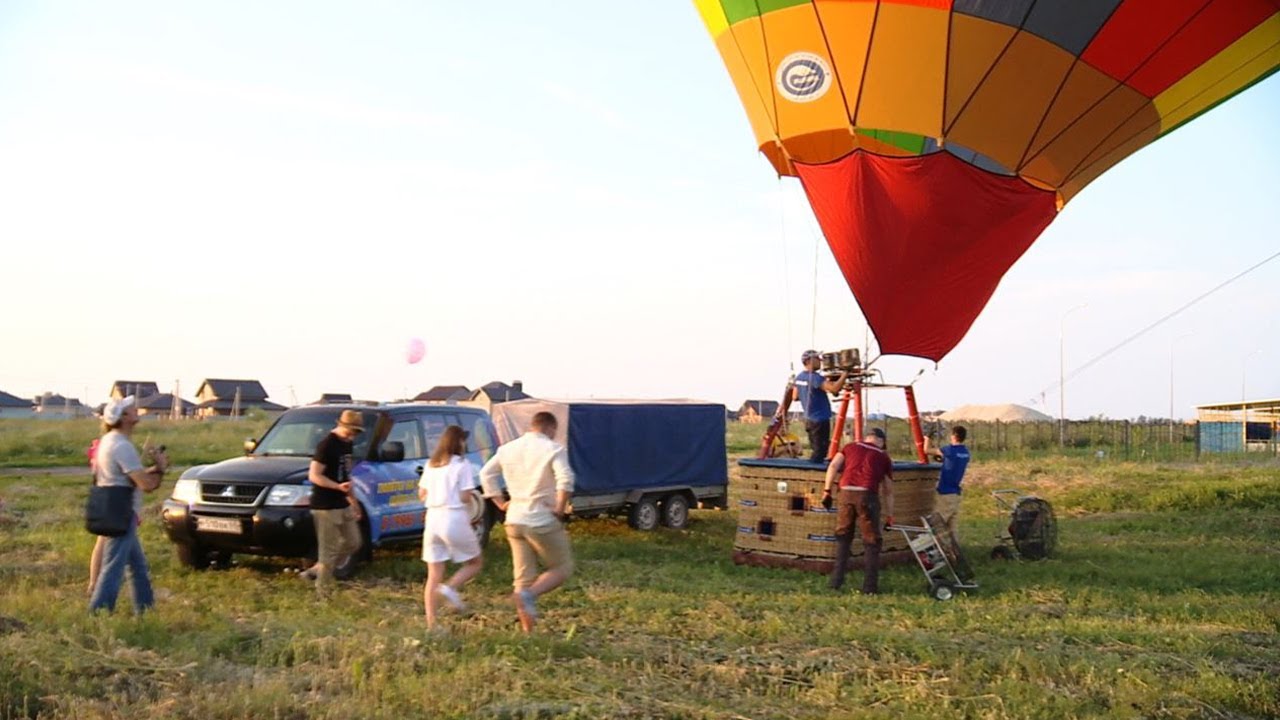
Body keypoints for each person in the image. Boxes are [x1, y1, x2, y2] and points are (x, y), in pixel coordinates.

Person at [479, 411, 575, 633]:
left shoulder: (507, 449)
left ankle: (527, 632)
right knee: (562, 567)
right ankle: (529, 596)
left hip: (514, 519)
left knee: (522, 578)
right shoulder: (554, 449)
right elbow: (566, 480)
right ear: (550, 428)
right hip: (541, 518)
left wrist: (501, 503)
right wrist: (559, 509)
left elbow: (486, 474)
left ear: (532, 426)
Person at [89, 396, 168, 614]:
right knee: (113, 568)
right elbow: (146, 485)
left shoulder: (108, 441)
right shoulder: (122, 446)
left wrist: (152, 470)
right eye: (131, 409)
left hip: (116, 510)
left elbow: (129, 477)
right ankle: (98, 614)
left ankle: (146, 611)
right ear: (123, 417)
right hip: (122, 513)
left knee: (138, 567)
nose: (136, 410)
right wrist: (160, 468)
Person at [417, 425, 485, 630]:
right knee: (475, 562)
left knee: (433, 573)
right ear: (459, 442)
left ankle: (432, 624)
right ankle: (449, 588)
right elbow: (465, 496)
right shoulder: (462, 465)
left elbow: (422, 494)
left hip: (432, 519)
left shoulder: (432, 464)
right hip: (453, 516)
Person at [821, 427, 895, 595]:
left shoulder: (849, 447)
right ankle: (869, 587)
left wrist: (827, 491)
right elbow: (888, 490)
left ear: (867, 437)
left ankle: (836, 581)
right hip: (867, 496)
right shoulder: (883, 457)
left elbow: (833, 466)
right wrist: (890, 515)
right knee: (871, 542)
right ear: (881, 442)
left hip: (845, 493)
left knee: (843, 537)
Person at [306, 409, 366, 595]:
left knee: (354, 542)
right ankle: (322, 591)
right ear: (341, 425)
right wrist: (336, 487)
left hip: (343, 503)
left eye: (356, 432)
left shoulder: (346, 445)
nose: (353, 436)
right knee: (328, 551)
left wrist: (354, 502)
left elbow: (347, 477)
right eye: (352, 431)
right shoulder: (326, 445)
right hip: (325, 505)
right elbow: (314, 475)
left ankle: (316, 570)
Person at [793, 350, 848, 462]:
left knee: (816, 448)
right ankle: (813, 473)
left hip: (809, 419)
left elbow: (795, 397)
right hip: (820, 420)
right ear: (809, 361)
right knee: (820, 452)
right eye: (817, 358)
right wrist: (845, 374)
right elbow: (834, 389)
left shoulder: (799, 377)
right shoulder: (815, 378)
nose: (820, 361)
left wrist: (813, 391)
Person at [925, 425, 970, 542]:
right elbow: (953, 462)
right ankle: (955, 553)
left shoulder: (949, 450)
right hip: (956, 493)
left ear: (954, 436)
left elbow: (927, 450)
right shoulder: (965, 453)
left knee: (938, 524)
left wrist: (927, 437)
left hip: (945, 492)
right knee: (952, 527)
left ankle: (936, 550)